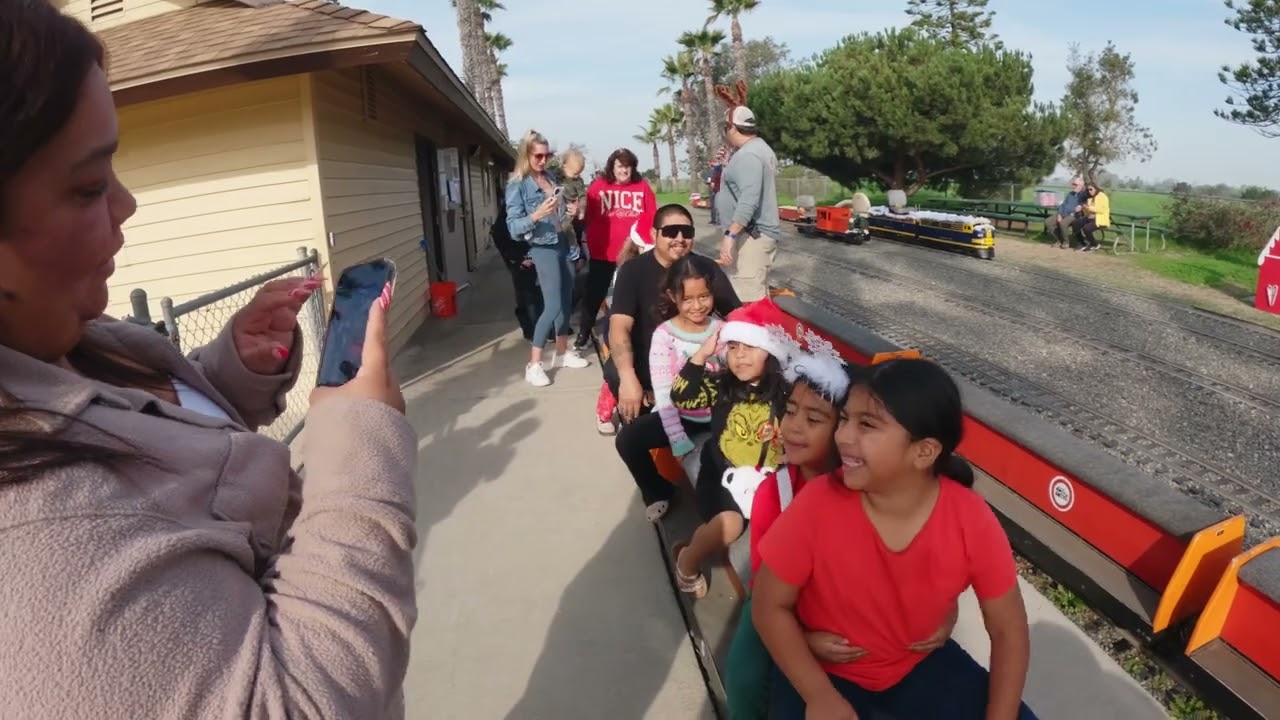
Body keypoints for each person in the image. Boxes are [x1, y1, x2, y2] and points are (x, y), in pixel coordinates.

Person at [0, 3, 418, 717]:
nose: (126, 205)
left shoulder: (71, 341)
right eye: (88, 186)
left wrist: (233, 370)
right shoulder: (34, 539)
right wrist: (359, 444)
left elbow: (140, 441)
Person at [753, 359, 1038, 720]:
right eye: (845, 419)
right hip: (822, 671)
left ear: (923, 452)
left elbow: (1007, 629)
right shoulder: (817, 504)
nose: (842, 436)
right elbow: (768, 606)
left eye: (867, 425)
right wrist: (819, 696)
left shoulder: (971, 520)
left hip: (915, 666)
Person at [611, 205, 740, 519]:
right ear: (655, 235)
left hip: (709, 393)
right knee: (628, 427)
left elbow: (736, 315)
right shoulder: (634, 271)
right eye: (670, 231)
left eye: (687, 232)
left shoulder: (705, 270)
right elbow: (618, 327)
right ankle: (659, 489)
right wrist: (628, 378)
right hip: (651, 364)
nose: (679, 238)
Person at [668, 298, 793, 597]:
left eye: (749, 347)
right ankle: (687, 561)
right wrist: (703, 352)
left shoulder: (786, 393)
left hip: (769, 480)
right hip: (722, 474)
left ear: (771, 352)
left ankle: (692, 546)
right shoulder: (722, 386)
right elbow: (682, 396)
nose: (739, 356)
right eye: (734, 348)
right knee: (731, 524)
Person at [505, 130, 591, 387]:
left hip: (563, 241)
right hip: (542, 247)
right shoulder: (518, 184)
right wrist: (536, 215)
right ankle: (534, 365)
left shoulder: (551, 177)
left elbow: (561, 210)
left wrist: (573, 211)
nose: (544, 160)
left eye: (548, 155)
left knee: (565, 302)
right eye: (538, 156)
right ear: (526, 155)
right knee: (552, 305)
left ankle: (562, 354)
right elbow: (513, 227)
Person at [647, 255, 725, 468]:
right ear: (673, 296)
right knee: (628, 440)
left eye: (704, 296)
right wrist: (677, 438)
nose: (697, 306)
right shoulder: (663, 336)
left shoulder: (722, 331)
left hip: (718, 417)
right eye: (687, 299)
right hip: (681, 416)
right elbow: (664, 394)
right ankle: (657, 491)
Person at [577, 148, 658, 351]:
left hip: (632, 251)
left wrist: (643, 241)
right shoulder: (598, 186)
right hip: (603, 250)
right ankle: (584, 332)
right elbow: (588, 217)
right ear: (612, 167)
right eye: (620, 166)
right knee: (594, 293)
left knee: (634, 294)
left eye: (628, 166)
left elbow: (652, 216)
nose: (624, 170)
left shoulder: (642, 186)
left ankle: (637, 332)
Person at [714, 102, 782, 302]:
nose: (725, 133)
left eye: (726, 128)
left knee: (747, 299)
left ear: (733, 128)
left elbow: (748, 200)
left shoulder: (748, 155)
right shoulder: (761, 149)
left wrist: (730, 235)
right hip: (753, 235)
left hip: (751, 237)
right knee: (756, 293)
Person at [492, 198, 543, 342]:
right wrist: (515, 257)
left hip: (538, 253)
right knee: (526, 294)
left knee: (541, 293)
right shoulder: (511, 207)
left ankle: (546, 328)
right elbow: (499, 235)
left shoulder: (537, 203)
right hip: (520, 257)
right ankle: (530, 329)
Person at [1048, 176, 1087, 249]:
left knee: (1063, 223)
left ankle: (1066, 242)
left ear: (1081, 186)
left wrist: (1075, 211)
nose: (1073, 186)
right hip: (1063, 213)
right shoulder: (1070, 194)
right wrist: (1059, 214)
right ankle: (1059, 240)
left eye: (1075, 184)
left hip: (1073, 215)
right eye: (1073, 184)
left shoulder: (1083, 195)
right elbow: (1063, 204)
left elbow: (1080, 208)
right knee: (1048, 221)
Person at [1072, 182, 1111, 253]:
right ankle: (1082, 243)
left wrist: (1088, 207)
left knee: (1086, 228)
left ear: (1096, 189)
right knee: (1075, 223)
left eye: (1091, 189)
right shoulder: (1090, 198)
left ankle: (1094, 244)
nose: (1089, 191)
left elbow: (1101, 210)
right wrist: (1083, 208)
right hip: (1089, 217)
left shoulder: (1102, 197)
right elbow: (1087, 212)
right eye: (1088, 190)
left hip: (1100, 219)